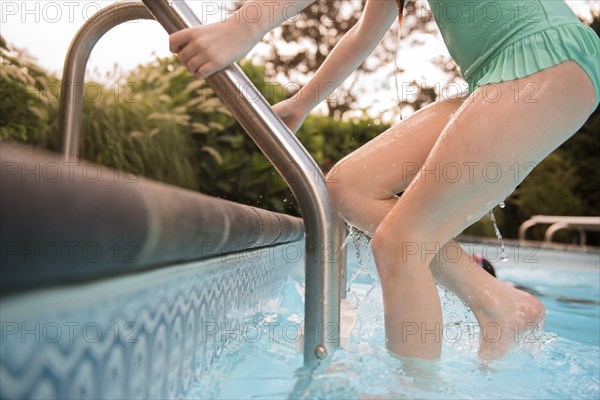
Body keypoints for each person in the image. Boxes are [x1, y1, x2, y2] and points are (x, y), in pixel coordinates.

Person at [170, 0, 599, 360]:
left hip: (546, 59)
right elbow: (364, 33)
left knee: (399, 242)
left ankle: (413, 390)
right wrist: (302, 103)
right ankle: (498, 303)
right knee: (347, 186)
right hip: (497, 75)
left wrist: (246, 24)